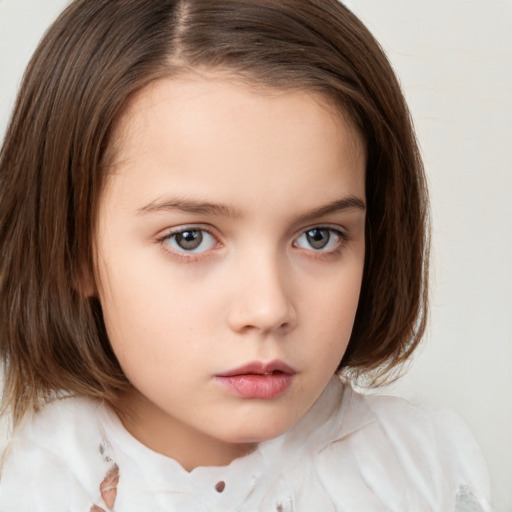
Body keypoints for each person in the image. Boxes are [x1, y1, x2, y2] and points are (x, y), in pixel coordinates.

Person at [0, 0, 492, 510]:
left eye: (319, 236)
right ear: (73, 251)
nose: (268, 308)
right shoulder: (37, 489)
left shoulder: (419, 465)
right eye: (190, 238)